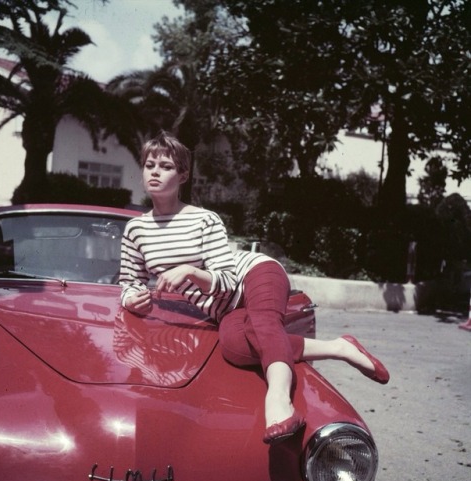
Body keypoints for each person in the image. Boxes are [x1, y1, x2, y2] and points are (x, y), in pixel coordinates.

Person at [119, 131, 390, 445]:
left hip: (254, 273)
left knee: (263, 323)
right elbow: (128, 282)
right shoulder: (136, 229)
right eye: (149, 165)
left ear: (183, 175)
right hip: (226, 309)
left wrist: (190, 271)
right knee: (233, 348)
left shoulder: (205, 220)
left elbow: (228, 280)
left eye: (165, 166)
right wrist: (132, 300)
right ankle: (340, 347)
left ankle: (278, 402)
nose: (154, 171)